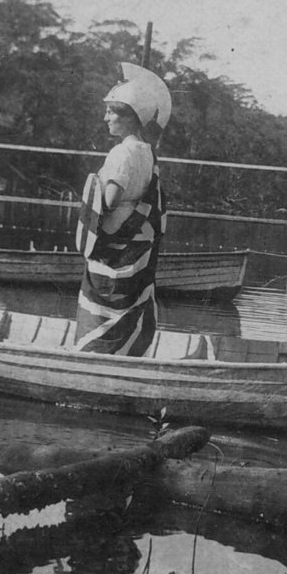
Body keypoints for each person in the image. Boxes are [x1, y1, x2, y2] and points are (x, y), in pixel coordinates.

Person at [75, 63, 171, 356]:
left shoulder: (122, 152)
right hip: (137, 243)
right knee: (131, 304)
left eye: (112, 112)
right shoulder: (147, 152)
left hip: (114, 244)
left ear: (130, 117)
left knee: (101, 307)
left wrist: (94, 188)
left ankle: (96, 357)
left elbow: (111, 199)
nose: (106, 118)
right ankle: (126, 355)